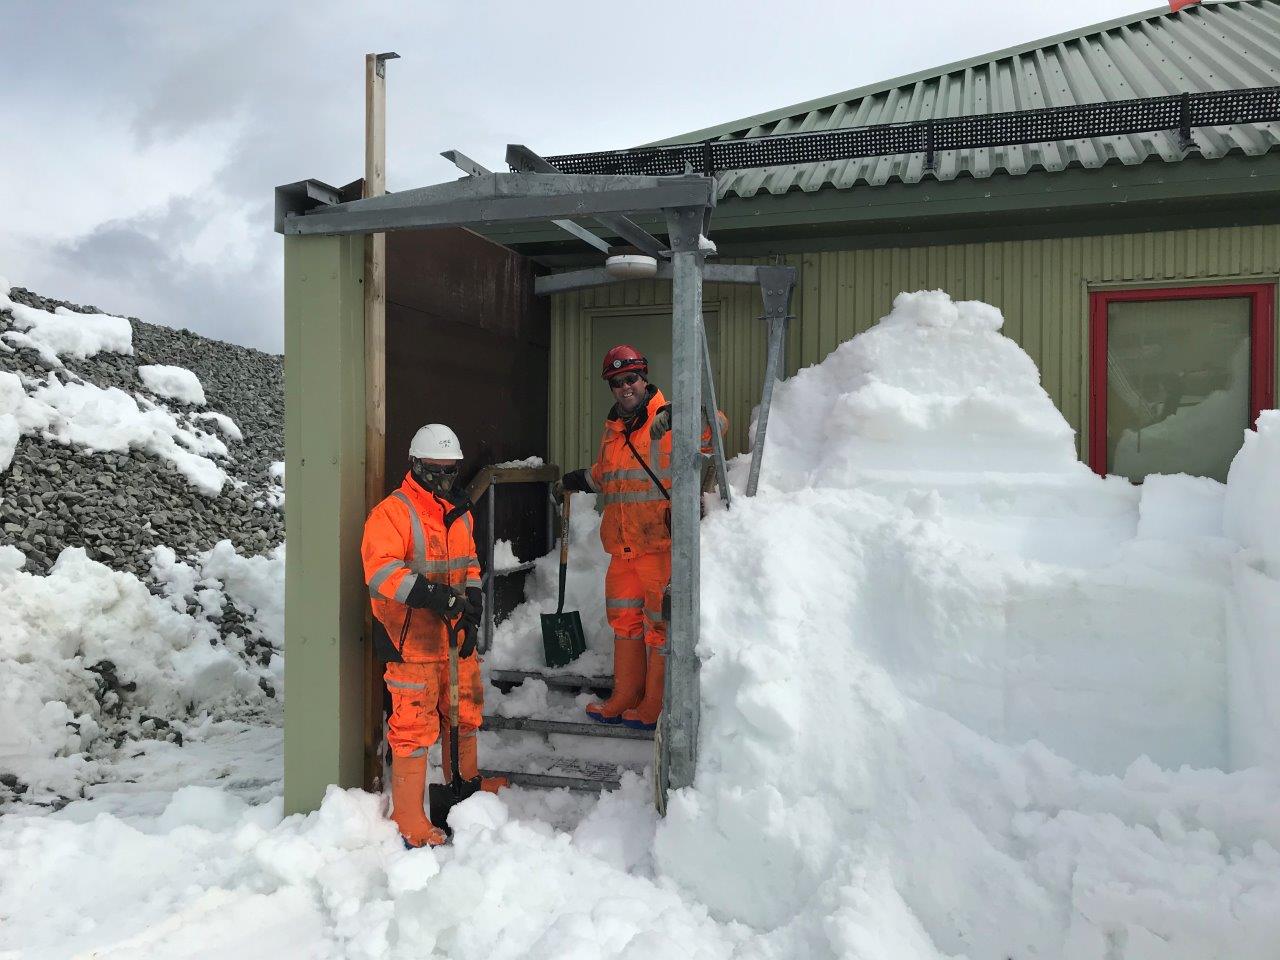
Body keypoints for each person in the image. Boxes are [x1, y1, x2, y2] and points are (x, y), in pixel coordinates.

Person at [558, 346, 726, 731]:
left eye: (631, 378)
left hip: (659, 549)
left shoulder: (666, 419)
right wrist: (578, 479)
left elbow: (716, 426)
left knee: (658, 627)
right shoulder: (613, 429)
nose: (624, 387)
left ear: (644, 378)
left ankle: (653, 704)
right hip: (621, 551)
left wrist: (680, 413)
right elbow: (609, 475)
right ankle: (625, 695)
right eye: (616, 382)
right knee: (624, 623)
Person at [362, 423, 507, 848]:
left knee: (465, 712)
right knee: (413, 726)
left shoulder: (458, 511)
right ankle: (409, 816)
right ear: (416, 466)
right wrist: (436, 597)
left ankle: (465, 786)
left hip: (453, 636)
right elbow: (382, 573)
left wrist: (472, 603)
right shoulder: (392, 513)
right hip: (411, 642)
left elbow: (471, 563)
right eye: (434, 471)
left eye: (450, 471)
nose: (443, 480)